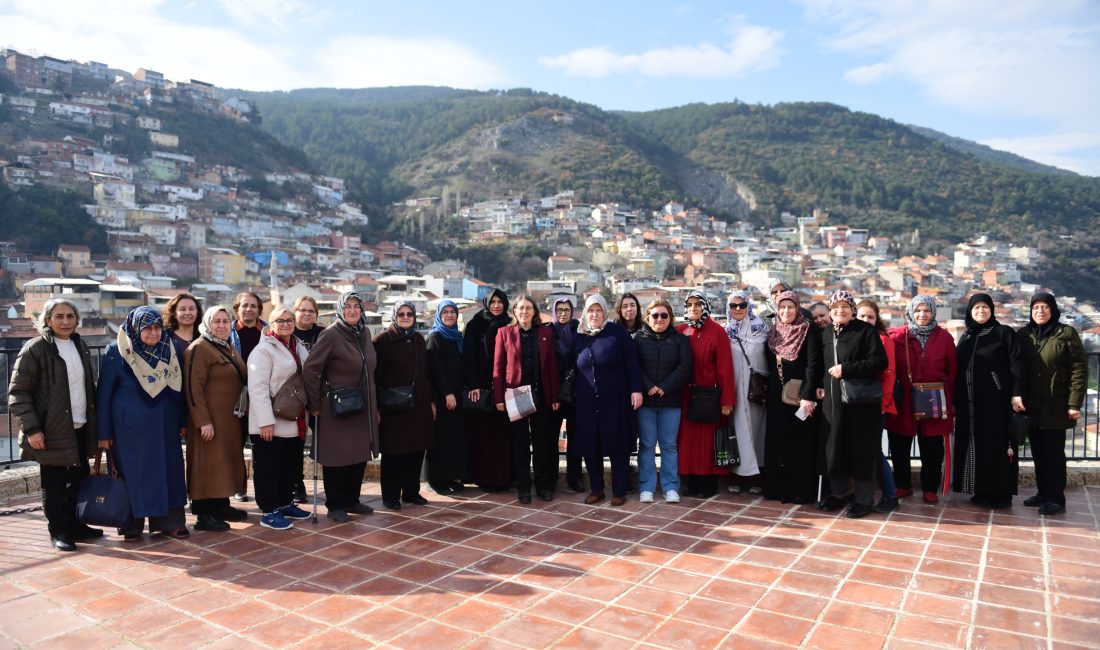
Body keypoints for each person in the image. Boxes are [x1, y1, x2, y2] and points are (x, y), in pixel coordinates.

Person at [8, 299, 100, 551]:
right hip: (51, 431)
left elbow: (87, 388)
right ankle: (59, 531)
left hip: (80, 427)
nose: (66, 321)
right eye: (59, 316)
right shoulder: (34, 349)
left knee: (78, 480)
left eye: (70, 316)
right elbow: (18, 394)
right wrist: (33, 430)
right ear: (47, 320)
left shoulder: (80, 345)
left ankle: (75, 526)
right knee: (55, 484)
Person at [96, 306, 188, 541]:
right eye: (147, 328)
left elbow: (182, 390)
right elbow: (103, 395)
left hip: (166, 426)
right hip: (129, 431)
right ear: (136, 328)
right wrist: (103, 433)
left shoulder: (172, 348)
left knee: (170, 472)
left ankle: (171, 523)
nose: (154, 333)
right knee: (132, 475)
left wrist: (183, 421)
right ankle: (130, 525)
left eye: (158, 327)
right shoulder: (117, 351)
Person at [303, 291, 381, 522]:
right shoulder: (330, 335)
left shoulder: (364, 333)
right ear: (340, 309)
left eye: (357, 305)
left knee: (358, 454)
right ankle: (335, 504)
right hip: (336, 407)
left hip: (362, 406)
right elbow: (311, 369)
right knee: (336, 457)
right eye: (347, 306)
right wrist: (315, 403)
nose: (352, 310)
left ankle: (352, 500)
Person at [954, 293, 1027, 509]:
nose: (981, 311)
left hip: (997, 402)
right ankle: (981, 489)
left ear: (992, 310)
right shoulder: (966, 337)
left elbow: (1017, 364)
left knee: (997, 446)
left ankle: (1001, 494)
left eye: (985, 307)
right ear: (970, 311)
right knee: (976, 446)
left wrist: (1016, 393)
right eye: (976, 308)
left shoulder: (1003, 333)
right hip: (970, 405)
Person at [819, 290, 887, 519]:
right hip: (833, 402)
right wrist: (820, 385)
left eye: (845, 306)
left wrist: (846, 369)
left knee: (861, 450)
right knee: (835, 447)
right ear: (830, 310)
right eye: (835, 307)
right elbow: (823, 364)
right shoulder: (827, 333)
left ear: (852, 309)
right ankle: (839, 494)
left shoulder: (865, 331)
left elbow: (879, 361)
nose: (840, 311)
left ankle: (863, 500)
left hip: (860, 403)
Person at [1017, 292, 1085, 516]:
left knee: (1054, 455)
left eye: (1044, 307)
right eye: (1035, 307)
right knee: (1038, 452)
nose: (1040, 311)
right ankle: (1043, 493)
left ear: (1053, 309)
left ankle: (1056, 497)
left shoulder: (1066, 334)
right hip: (1032, 406)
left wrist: (1074, 404)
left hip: (1057, 404)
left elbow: (1078, 370)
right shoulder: (1024, 335)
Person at [885, 296, 956, 506]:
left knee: (932, 448)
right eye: (918, 310)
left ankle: (929, 488)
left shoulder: (944, 338)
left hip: (934, 397)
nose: (922, 315)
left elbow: (952, 370)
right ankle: (903, 485)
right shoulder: (897, 336)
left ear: (933, 312)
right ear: (910, 312)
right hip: (904, 398)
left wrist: (949, 400)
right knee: (899, 445)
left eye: (927, 310)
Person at [573, 295, 643, 506]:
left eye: (598, 310)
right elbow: (570, 365)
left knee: (617, 445)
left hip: (616, 401)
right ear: (586, 313)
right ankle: (597, 489)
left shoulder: (617, 333)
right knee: (590, 446)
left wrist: (637, 390)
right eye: (591, 311)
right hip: (586, 402)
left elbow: (632, 363)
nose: (594, 315)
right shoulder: (581, 335)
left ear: (605, 312)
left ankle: (619, 491)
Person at [246, 306, 312, 530]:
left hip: (294, 419)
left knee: (289, 466)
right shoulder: (263, 351)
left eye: (289, 320)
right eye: (280, 320)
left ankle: (285, 503)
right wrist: (265, 422)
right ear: (270, 325)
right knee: (268, 467)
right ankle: (269, 510)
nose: (285, 324)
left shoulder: (297, 346)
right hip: (270, 422)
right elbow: (257, 389)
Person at [184, 306, 249, 531]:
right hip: (209, 421)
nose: (222, 326)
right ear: (208, 323)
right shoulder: (200, 348)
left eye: (225, 321)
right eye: (217, 321)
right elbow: (193, 388)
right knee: (206, 465)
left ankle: (221, 505)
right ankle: (204, 514)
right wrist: (203, 421)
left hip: (228, 421)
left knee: (222, 463)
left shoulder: (226, 346)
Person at [493, 296, 560, 503]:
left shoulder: (545, 333)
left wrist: (554, 395)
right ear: (514, 311)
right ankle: (524, 487)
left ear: (534, 311)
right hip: (518, 394)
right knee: (521, 444)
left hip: (540, 394)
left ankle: (542, 486)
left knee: (542, 443)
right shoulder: (504, 333)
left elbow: (551, 367)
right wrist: (499, 397)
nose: (525, 312)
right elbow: (498, 367)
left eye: (529, 308)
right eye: (521, 308)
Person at [762, 291, 823, 504]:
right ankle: (777, 488)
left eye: (790, 307)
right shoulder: (774, 332)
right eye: (781, 307)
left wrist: (808, 395)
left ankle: (800, 490)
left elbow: (813, 365)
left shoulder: (808, 329)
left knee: (801, 443)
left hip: (800, 396)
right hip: (776, 394)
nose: (786, 311)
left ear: (797, 308)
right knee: (779, 441)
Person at [375, 300, 436, 510]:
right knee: (394, 453)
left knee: (416, 449)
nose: (406, 317)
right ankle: (390, 496)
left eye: (409, 314)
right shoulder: (383, 340)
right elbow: (376, 377)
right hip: (393, 408)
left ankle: (411, 493)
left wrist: (431, 401)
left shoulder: (418, 339)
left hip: (419, 406)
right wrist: (376, 407)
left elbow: (427, 374)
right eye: (401, 314)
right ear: (394, 316)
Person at [675, 291, 735, 498]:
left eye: (697, 304)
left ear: (705, 306)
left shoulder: (717, 332)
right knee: (687, 441)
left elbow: (725, 369)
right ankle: (689, 481)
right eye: (689, 304)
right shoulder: (680, 330)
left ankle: (707, 483)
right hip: (685, 396)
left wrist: (727, 400)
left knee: (707, 441)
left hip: (709, 396)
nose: (693, 308)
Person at [634, 299, 693, 503]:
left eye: (664, 315)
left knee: (669, 445)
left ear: (670, 318)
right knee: (647, 444)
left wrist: (664, 387)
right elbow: (634, 366)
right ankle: (646, 487)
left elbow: (685, 367)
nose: (659, 319)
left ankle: (670, 487)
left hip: (671, 401)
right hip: (646, 403)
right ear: (648, 317)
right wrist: (649, 385)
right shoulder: (638, 339)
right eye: (655, 315)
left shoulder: (680, 340)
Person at [462, 289, 512, 491]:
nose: (497, 305)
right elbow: (469, 356)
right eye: (493, 302)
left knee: (503, 436)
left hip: (505, 388)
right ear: (486, 303)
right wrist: (473, 384)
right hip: (481, 388)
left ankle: (504, 478)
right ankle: (484, 478)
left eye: (500, 301)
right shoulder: (475, 324)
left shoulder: (510, 323)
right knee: (482, 435)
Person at [856, 299, 902, 513]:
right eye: (862, 316)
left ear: (877, 320)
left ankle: (890, 495)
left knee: (874, 451)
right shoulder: (856, 338)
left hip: (876, 403)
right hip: (859, 402)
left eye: (870, 317)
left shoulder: (884, 340)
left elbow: (889, 374)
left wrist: (883, 404)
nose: (866, 320)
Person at [725, 290, 769, 494]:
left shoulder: (762, 330)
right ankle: (737, 476)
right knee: (738, 432)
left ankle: (757, 477)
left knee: (758, 432)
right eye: (733, 306)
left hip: (756, 391)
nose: (738, 309)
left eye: (742, 305)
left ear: (748, 306)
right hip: (734, 391)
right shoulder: (726, 333)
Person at [426, 299, 468, 495]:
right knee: (440, 440)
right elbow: (436, 370)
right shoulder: (435, 337)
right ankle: (435, 480)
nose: (449, 315)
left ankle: (450, 476)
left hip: (457, 396)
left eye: (452, 312)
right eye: (445, 312)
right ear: (439, 315)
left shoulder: (457, 337)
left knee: (453, 439)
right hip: (443, 398)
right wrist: (447, 393)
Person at [228, 290, 264, 502]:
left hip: (262, 396)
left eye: (253, 305)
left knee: (262, 447)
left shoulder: (268, 331)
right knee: (236, 444)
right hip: (236, 396)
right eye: (244, 305)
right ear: (237, 309)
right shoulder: (227, 331)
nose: (249, 309)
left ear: (259, 309)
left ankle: (264, 490)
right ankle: (239, 486)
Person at [549, 298, 584, 492]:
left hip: (576, 391)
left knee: (575, 438)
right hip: (554, 392)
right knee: (550, 438)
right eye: (560, 310)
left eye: (567, 310)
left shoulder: (580, 331)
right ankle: (552, 478)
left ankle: (574, 478)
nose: (563, 313)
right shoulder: (547, 331)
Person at [291, 295, 323, 503]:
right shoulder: (288, 332)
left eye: (311, 311)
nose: (306, 314)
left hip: (319, 396)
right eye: (302, 310)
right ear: (295, 312)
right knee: (295, 443)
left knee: (323, 440)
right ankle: (296, 484)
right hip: (294, 396)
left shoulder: (323, 334)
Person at [162, 293, 202, 359]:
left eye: (191, 309)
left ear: (197, 313)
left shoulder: (203, 337)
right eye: (182, 309)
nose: (187, 313)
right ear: (174, 314)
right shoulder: (165, 337)